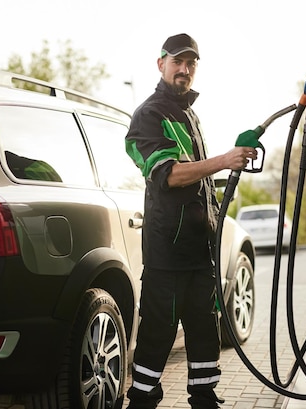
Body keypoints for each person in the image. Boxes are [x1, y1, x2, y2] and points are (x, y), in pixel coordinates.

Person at [124, 33, 258, 409]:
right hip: (168, 252)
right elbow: (169, 174)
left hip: (201, 251)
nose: (184, 69)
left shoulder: (189, 114)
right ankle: (142, 400)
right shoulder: (149, 115)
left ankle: (204, 398)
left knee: (204, 330)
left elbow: (197, 178)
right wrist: (224, 160)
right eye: (178, 62)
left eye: (191, 63)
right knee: (158, 333)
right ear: (161, 63)